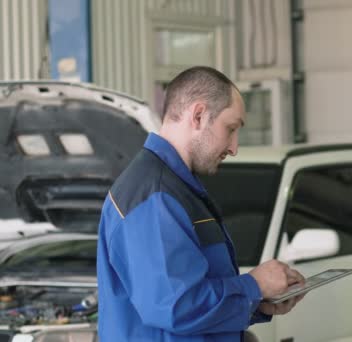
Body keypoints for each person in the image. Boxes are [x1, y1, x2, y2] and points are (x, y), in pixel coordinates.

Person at [97, 66, 305, 341]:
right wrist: (254, 285)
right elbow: (177, 307)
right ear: (198, 115)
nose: (234, 148)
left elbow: (193, 298)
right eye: (230, 129)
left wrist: (257, 302)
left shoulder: (175, 190)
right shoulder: (155, 196)